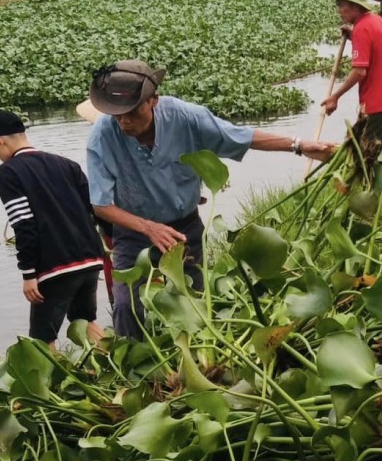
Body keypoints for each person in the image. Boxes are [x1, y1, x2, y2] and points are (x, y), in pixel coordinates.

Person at [86, 60, 335, 337]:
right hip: (133, 232)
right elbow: (100, 204)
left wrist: (300, 146)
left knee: (197, 301)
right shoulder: (103, 134)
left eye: (131, 113)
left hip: (184, 229)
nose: (124, 122)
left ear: (153, 100)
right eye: (117, 115)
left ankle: (197, 361)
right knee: (125, 306)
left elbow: (241, 137)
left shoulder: (186, 117)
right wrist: (149, 228)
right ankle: (131, 365)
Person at [0, 109, 105, 347]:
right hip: (90, 259)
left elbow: (24, 225)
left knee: (42, 339)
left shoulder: (8, 172)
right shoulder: (66, 164)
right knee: (85, 321)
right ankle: (119, 366)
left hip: (55, 267)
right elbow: (95, 209)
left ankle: (51, 384)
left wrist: (28, 274)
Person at [321, 0, 382, 154]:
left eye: (342, 5)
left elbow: (359, 71)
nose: (339, 10)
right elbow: (372, 47)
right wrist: (352, 36)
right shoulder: (377, 21)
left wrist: (335, 96)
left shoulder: (362, 28)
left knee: (369, 158)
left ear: (355, 7)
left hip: (379, 104)